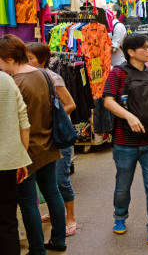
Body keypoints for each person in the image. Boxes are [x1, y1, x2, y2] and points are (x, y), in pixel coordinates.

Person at [103, 34, 148, 248]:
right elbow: (107, 101)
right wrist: (129, 116)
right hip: (125, 143)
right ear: (131, 52)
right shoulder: (118, 73)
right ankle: (119, 215)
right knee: (123, 185)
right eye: (144, 48)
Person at [0, 35, 66, 254]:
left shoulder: (14, 82)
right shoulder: (42, 74)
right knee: (52, 193)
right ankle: (58, 238)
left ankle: (37, 249)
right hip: (49, 142)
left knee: (29, 202)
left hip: (27, 149)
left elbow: (18, 124)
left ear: (8, 58)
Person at [26, 43, 78, 237]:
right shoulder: (28, 77)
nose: (28, 62)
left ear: (42, 59)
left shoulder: (53, 77)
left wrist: (52, 119)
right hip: (42, 137)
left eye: (30, 58)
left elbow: (70, 104)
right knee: (47, 180)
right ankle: (54, 211)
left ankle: (71, 217)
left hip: (57, 136)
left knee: (61, 179)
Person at [0, 70, 31, 255]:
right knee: (7, 220)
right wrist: (21, 159)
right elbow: (23, 122)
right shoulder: (6, 80)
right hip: (7, 162)